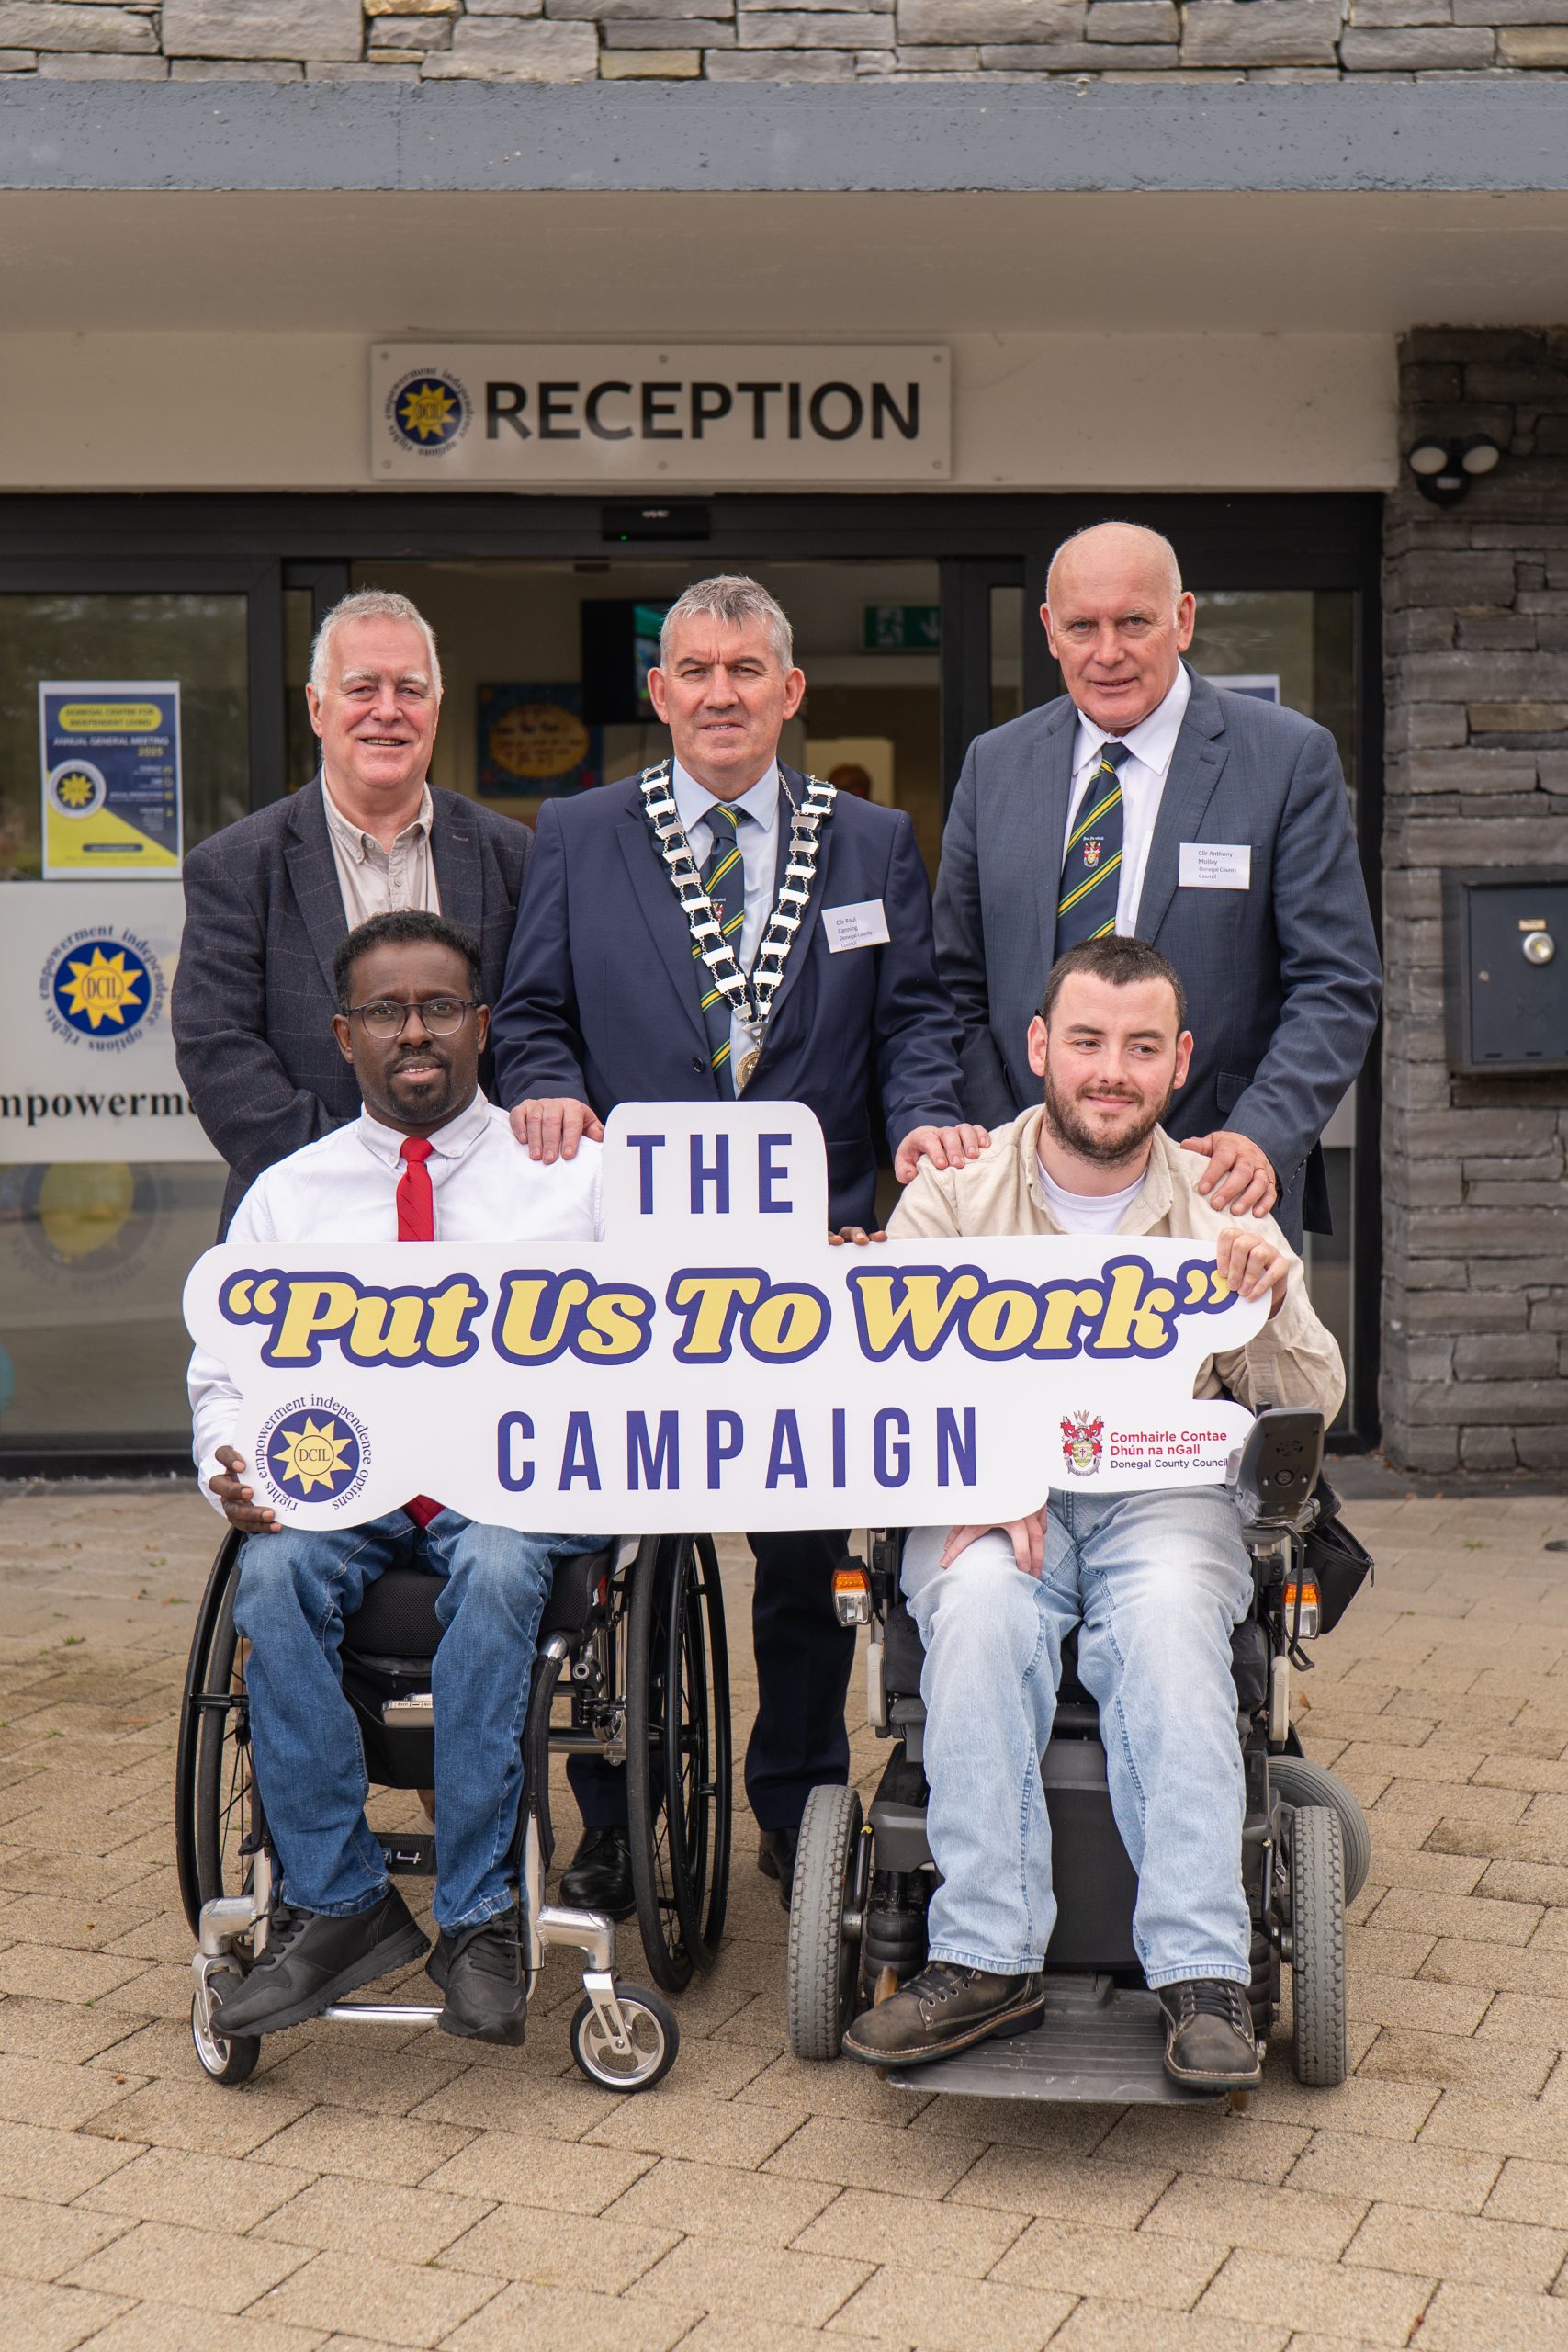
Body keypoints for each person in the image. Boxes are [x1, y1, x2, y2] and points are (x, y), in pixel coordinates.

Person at [490, 572, 984, 1917]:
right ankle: (614, 1816)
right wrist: (548, 1089)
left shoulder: (868, 839)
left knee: (804, 1551)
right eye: (695, 670)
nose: (720, 693)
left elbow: (911, 1022)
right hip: (632, 1263)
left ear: (789, 689)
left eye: (745, 669)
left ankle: (799, 1803)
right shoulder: (579, 831)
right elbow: (531, 1015)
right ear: (658, 693)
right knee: (618, 1549)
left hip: (810, 1257)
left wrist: (923, 1131)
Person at [840, 937, 1344, 2086]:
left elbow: (1312, 1410)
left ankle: (1204, 1972)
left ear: (1180, 1061)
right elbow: (879, 1382)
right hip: (990, 1492)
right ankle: (984, 1958)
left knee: (1168, 1624)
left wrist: (1267, 1305)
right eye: (1086, 1041)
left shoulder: (1223, 1202)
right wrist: (980, 1466)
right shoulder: (953, 1195)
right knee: (975, 1613)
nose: (1111, 1071)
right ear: (1039, 1046)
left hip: (1164, 1492)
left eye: (1140, 1047)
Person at [189, 910, 605, 2049]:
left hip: (509, 1484)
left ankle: (479, 1917)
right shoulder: (288, 1197)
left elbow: (689, 1314)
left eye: (438, 1007)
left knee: (505, 1561)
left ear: (482, 1024)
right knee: (272, 1576)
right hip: (348, 1482)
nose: (414, 1031)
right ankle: (340, 1902)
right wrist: (230, 1465)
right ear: (344, 1035)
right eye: (386, 1010)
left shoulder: (573, 1177)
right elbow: (222, 1374)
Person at [933, 521, 1382, 1247]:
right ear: (1049, 631)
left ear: (1183, 620)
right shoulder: (995, 764)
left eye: (1133, 622)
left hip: (1215, 1186)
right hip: (1021, 1197)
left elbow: (1335, 982)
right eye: (1082, 626)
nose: (1107, 652)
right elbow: (954, 982)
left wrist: (1260, 1136)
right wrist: (1005, 1141)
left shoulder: (1284, 759)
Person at [173, 589, 532, 1234]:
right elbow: (218, 1052)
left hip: (496, 1220)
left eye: (410, 690)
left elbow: (538, 1024)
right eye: (362, 688)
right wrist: (354, 1179)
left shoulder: (514, 856)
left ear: (436, 708)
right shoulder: (234, 866)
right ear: (317, 708)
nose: (387, 710)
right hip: (304, 1223)